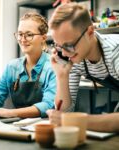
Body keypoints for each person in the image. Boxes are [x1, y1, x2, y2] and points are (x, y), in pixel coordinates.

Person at [47, 2, 119, 132]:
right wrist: (62, 76)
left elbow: (66, 119)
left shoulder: (116, 52)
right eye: (58, 46)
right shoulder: (75, 57)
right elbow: (66, 111)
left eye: (68, 45)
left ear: (90, 32)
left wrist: (77, 121)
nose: (64, 53)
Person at [0, 12, 56, 119]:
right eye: (20, 34)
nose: (23, 39)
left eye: (29, 35)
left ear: (43, 38)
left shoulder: (53, 66)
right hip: (18, 125)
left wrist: (10, 113)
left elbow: (48, 105)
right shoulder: (12, 67)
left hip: (43, 127)